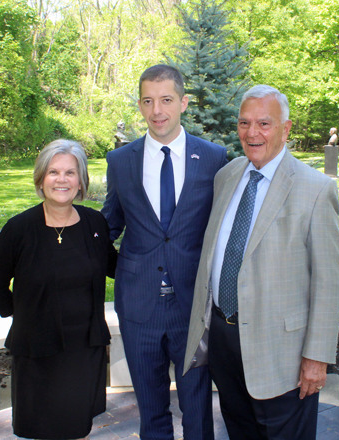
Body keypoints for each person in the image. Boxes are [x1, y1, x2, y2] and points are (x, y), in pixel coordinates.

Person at [184, 85, 339, 439]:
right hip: (226, 343)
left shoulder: (315, 189)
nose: (252, 133)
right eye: (244, 123)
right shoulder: (227, 176)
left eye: (264, 124)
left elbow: (329, 283)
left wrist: (316, 358)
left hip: (282, 354)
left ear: (285, 129)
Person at [102, 64, 227, 440]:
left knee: (197, 409)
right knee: (151, 411)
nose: (157, 110)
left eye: (167, 100)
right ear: (140, 105)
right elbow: (108, 226)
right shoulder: (121, 161)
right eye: (148, 101)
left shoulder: (213, 157)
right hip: (139, 307)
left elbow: (224, 228)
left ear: (184, 102)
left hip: (193, 308)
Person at [0, 139, 117, 440]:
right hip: (37, 351)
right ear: (41, 179)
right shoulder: (19, 228)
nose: (62, 180)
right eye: (53, 172)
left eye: (70, 173)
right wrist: (26, 316)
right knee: (41, 427)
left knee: (77, 426)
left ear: (81, 181)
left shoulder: (94, 223)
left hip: (84, 347)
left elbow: (114, 266)